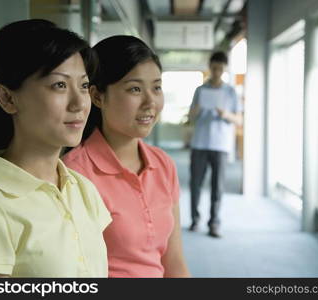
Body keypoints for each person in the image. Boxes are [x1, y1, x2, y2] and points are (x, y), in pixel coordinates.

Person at [0, 19, 112, 277]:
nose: (80, 103)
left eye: (83, 85)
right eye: (59, 85)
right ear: (8, 98)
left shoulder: (82, 189)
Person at [63, 35, 190, 278]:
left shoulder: (163, 164)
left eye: (157, 87)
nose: (150, 102)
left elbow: (173, 262)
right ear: (98, 96)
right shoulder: (75, 174)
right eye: (135, 89)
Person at [188, 51, 243, 238]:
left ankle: (214, 223)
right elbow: (190, 117)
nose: (217, 71)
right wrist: (197, 111)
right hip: (200, 143)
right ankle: (195, 220)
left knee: (217, 186)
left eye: (220, 68)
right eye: (214, 68)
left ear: (224, 69)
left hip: (221, 145)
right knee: (195, 183)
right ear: (209, 67)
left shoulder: (230, 92)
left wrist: (225, 114)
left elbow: (239, 119)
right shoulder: (200, 90)